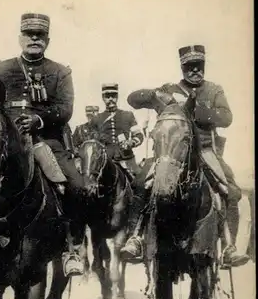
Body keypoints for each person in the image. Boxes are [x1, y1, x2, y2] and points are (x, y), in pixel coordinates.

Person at [0, 12, 86, 276]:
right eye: (29, 34)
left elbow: (65, 109)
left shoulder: (60, 72)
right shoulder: (2, 69)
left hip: (46, 140)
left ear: (48, 39)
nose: (35, 39)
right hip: (7, 143)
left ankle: (71, 249)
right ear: (20, 38)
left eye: (40, 35)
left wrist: (38, 119)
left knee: (77, 186)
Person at [121, 44, 249, 268]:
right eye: (190, 67)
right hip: (170, 152)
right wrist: (153, 95)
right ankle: (136, 237)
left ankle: (229, 247)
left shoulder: (214, 90)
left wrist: (193, 109)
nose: (195, 71)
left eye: (199, 66)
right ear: (182, 68)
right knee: (142, 182)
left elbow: (226, 117)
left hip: (205, 150)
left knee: (230, 189)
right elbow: (132, 99)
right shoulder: (170, 89)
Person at [89, 83, 144, 177]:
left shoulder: (128, 115)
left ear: (117, 97)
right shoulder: (96, 119)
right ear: (103, 98)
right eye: (107, 96)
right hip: (105, 162)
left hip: (127, 161)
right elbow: (91, 142)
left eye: (113, 96)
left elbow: (139, 135)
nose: (110, 99)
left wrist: (132, 142)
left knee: (139, 184)